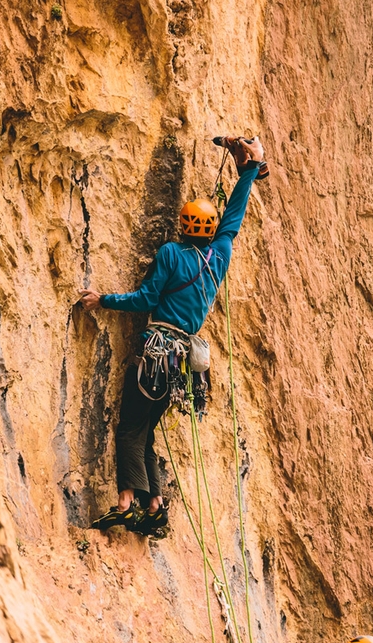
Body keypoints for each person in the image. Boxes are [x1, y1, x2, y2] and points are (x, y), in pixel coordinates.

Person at [81, 135, 264, 536]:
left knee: (131, 426)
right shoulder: (220, 256)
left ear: (183, 226)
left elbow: (146, 297)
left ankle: (126, 504)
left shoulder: (170, 254)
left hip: (156, 351)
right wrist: (248, 171)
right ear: (210, 229)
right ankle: (156, 505)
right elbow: (233, 218)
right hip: (183, 364)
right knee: (146, 432)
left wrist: (105, 300)